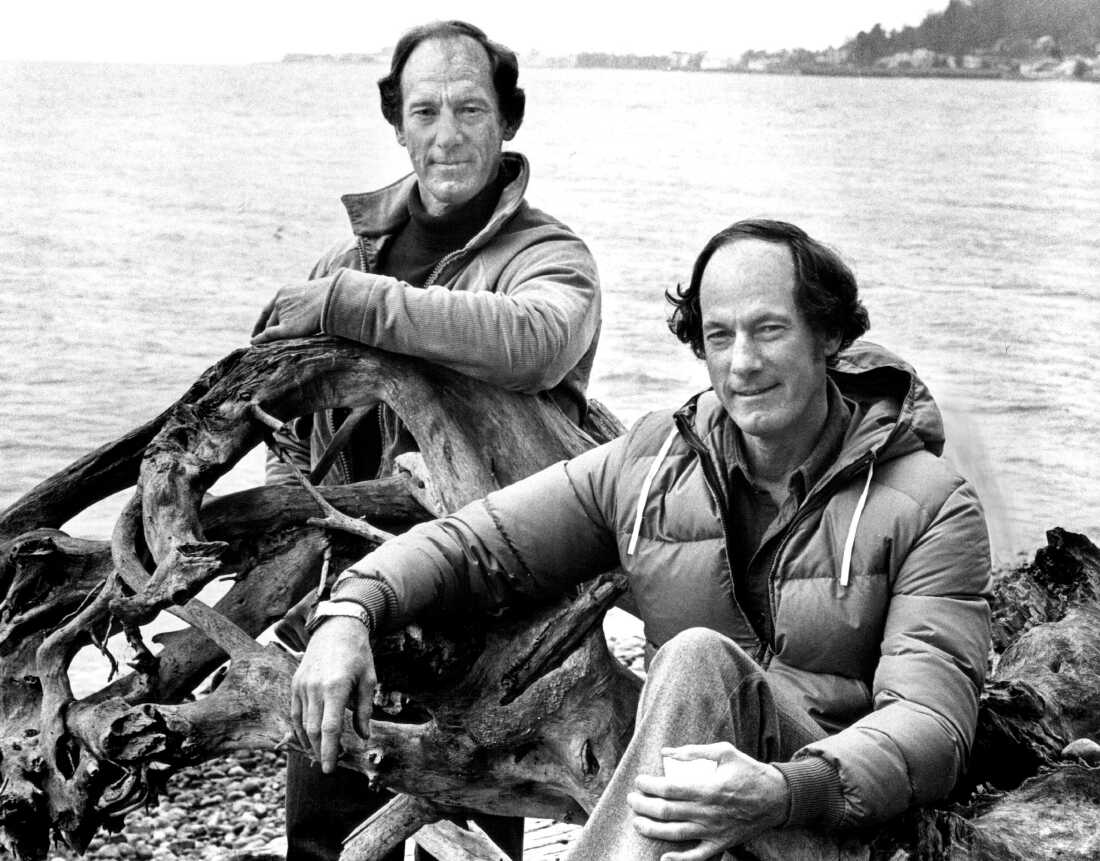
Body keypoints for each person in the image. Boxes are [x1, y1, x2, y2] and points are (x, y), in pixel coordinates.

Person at [292, 218, 992, 860]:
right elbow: (479, 544)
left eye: (769, 329)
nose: (742, 361)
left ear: (829, 335)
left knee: (695, 660)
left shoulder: (929, 502)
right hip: (685, 821)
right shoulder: (656, 461)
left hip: (836, 819)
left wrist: (781, 790)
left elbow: (932, 724)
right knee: (693, 672)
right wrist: (349, 611)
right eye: (719, 335)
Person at [252, 20, 601, 861]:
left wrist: (348, 302)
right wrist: (299, 537)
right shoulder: (350, 253)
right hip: (342, 607)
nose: (447, 135)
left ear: (508, 120)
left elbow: (535, 341)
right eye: (426, 110)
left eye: (471, 108)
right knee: (322, 838)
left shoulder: (551, 256)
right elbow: (276, 412)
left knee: (466, 842)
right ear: (397, 122)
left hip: (479, 618)